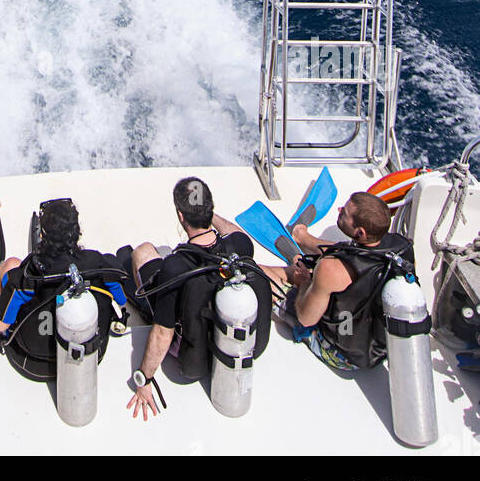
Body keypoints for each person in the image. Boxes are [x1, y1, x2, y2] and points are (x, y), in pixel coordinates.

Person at [125, 176, 271, 422]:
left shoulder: (175, 266)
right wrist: (208, 214)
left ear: (181, 217)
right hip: (229, 344)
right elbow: (234, 232)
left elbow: (162, 334)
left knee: (142, 252)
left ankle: (150, 305)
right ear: (210, 210)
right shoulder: (240, 245)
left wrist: (144, 379)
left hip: (192, 350)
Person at [263, 191, 415, 370]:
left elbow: (305, 318)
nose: (339, 209)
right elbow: (351, 253)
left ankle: (287, 263)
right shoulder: (402, 247)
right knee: (314, 270)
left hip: (342, 355)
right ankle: (300, 240)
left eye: (344, 213)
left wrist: (304, 283)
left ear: (360, 232)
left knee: (259, 272)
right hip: (376, 349)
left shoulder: (331, 269)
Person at [0, 198, 127, 382]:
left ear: (42, 236)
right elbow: (122, 301)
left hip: (34, 365)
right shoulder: (97, 263)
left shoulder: (28, 275)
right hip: (90, 358)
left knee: (11, 265)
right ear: (77, 233)